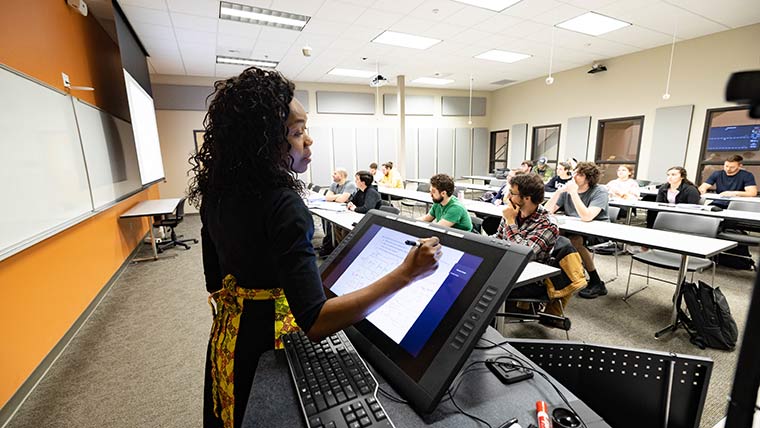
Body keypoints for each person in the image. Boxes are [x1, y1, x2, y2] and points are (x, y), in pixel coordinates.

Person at [188, 67, 441, 428]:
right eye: (296, 132)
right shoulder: (283, 205)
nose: (308, 142)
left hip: (229, 338)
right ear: (264, 142)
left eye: (305, 130)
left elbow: (214, 278)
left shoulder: (218, 191)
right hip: (270, 347)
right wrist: (406, 273)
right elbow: (315, 322)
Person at [544, 161, 610, 299]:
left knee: (575, 241)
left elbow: (587, 216)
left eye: (579, 174)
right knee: (552, 235)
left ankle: (596, 281)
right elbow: (546, 211)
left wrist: (573, 192)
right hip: (574, 227)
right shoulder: (568, 190)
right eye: (574, 172)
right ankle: (559, 275)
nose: (574, 176)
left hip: (597, 229)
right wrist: (559, 191)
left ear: (589, 178)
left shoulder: (600, 191)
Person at [493, 173, 559, 263]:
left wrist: (510, 222)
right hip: (506, 262)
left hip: (530, 272)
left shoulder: (548, 224)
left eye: (512, 193)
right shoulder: (513, 212)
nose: (508, 197)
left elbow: (522, 254)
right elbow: (498, 238)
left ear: (527, 198)